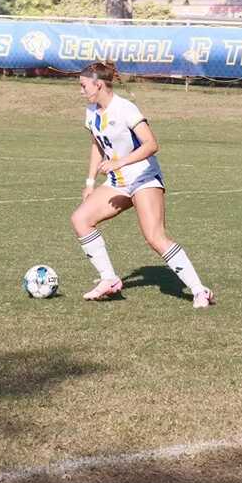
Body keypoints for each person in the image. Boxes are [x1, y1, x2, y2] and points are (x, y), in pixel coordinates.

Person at [70, 62, 215, 308]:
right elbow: (97, 145)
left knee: (155, 237)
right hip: (117, 183)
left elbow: (151, 144)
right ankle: (109, 279)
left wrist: (119, 162)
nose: (81, 91)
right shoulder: (91, 111)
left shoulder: (125, 109)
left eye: (84, 86)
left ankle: (200, 290)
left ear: (99, 84)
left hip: (143, 179)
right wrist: (90, 182)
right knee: (80, 219)